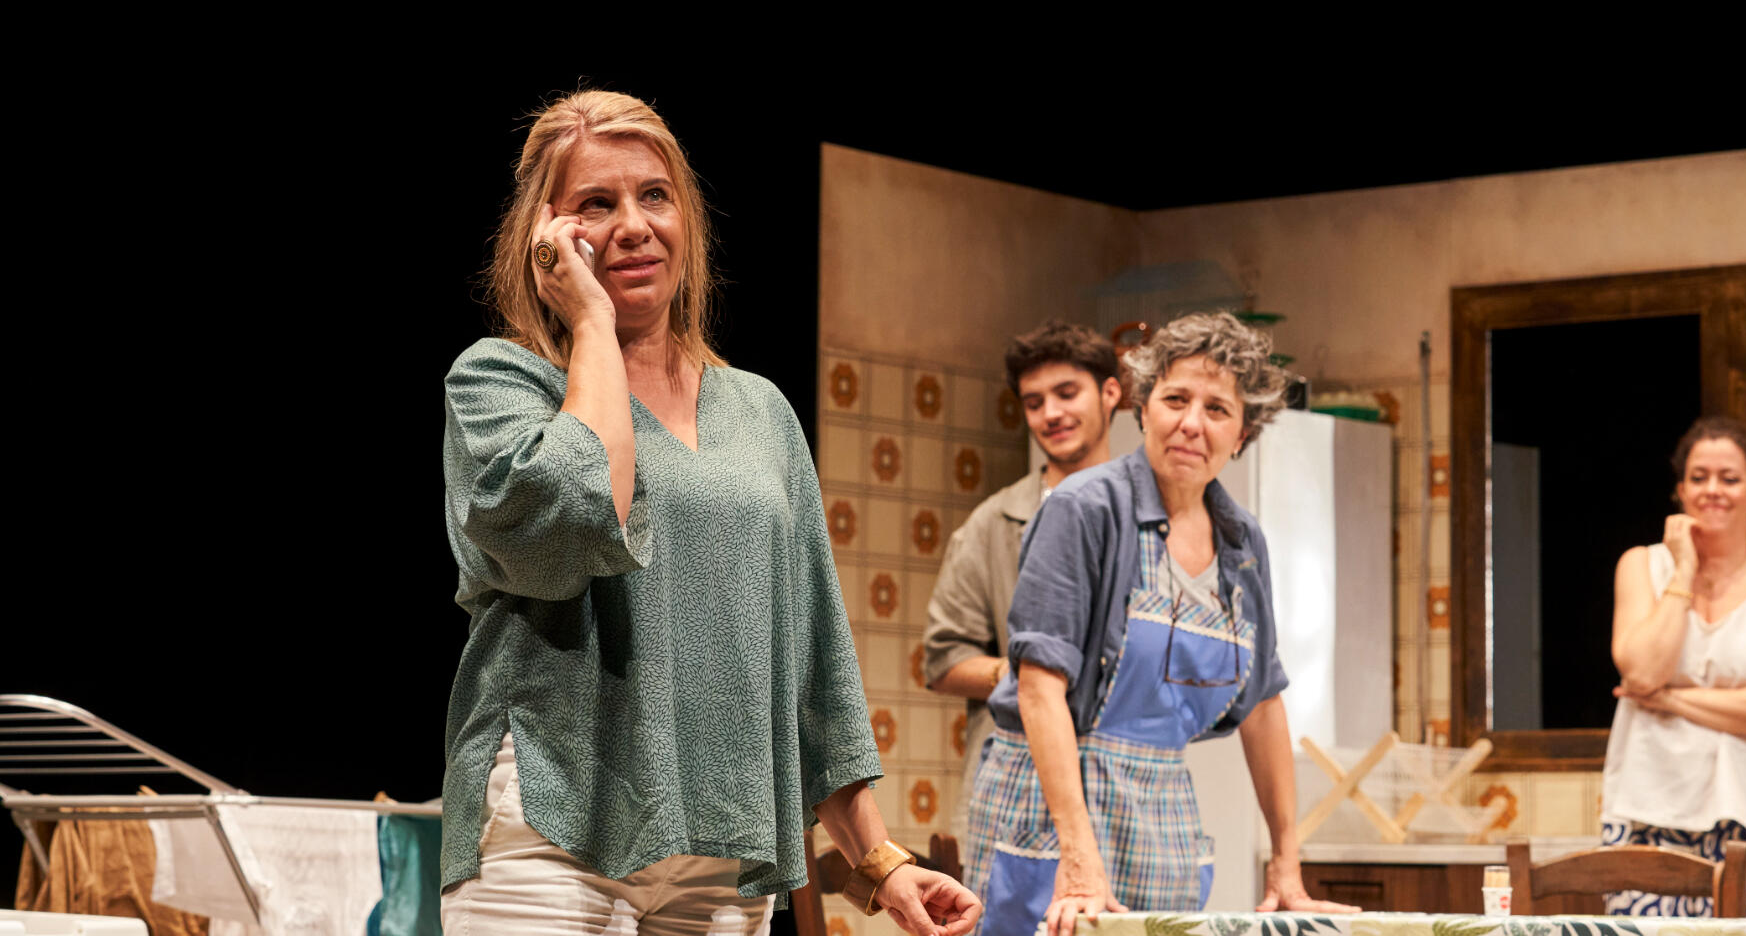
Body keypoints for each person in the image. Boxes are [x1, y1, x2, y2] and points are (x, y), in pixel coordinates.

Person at [440, 90, 979, 936]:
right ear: (546, 235)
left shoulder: (759, 411)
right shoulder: (501, 382)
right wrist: (590, 324)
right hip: (555, 828)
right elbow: (579, 517)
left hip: (721, 850)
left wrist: (881, 861)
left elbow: (813, 657)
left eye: (654, 195)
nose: (633, 224)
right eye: (596, 203)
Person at [962, 312, 1355, 936]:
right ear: (1142, 409)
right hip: (1051, 813)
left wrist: (1286, 864)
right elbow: (1038, 688)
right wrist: (1078, 857)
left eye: (1217, 409)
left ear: (1243, 433)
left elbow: (1262, 704)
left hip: (1162, 818)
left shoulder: (1242, 541)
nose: (1191, 423)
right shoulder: (1082, 509)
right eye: (1175, 400)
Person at [1603, 416, 1746, 919]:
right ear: (1681, 491)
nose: (1712, 490)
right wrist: (1683, 570)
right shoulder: (1641, 566)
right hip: (1648, 817)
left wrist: (1669, 699)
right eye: (1698, 478)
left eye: (1730, 478)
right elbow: (1641, 673)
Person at [923, 320, 1123, 837]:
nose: (1050, 413)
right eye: (1034, 402)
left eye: (1066, 393)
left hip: (1123, 784)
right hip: (1014, 786)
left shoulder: (1144, 514)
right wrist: (1031, 677)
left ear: (1110, 393)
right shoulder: (992, 523)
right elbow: (943, 660)